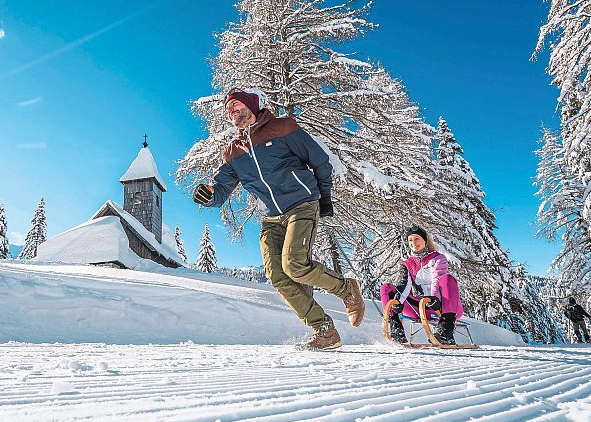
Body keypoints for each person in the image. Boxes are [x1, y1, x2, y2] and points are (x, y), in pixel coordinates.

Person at [192, 87, 364, 350]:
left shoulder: (282, 127)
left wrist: (325, 196)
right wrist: (209, 195)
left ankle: (346, 289)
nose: (232, 112)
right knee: (277, 276)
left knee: (295, 264)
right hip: (270, 217)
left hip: (301, 204)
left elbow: (319, 161)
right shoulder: (233, 152)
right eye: (229, 110)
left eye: (236, 106)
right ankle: (325, 331)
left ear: (251, 106)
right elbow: (221, 189)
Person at [379, 225, 463, 345]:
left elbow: (436, 279)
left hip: (444, 307)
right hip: (420, 308)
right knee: (386, 287)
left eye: (417, 238)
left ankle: (445, 330)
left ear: (425, 240)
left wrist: (435, 298)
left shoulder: (438, 258)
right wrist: (398, 302)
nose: (413, 243)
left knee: (447, 279)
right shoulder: (407, 264)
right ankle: (396, 329)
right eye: (410, 240)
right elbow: (404, 286)